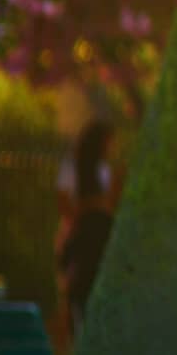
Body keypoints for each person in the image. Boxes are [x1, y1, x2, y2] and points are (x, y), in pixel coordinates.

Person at [56, 120, 120, 339]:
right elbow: (64, 203)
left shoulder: (104, 169)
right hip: (83, 235)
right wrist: (90, 208)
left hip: (100, 233)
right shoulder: (73, 166)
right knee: (78, 289)